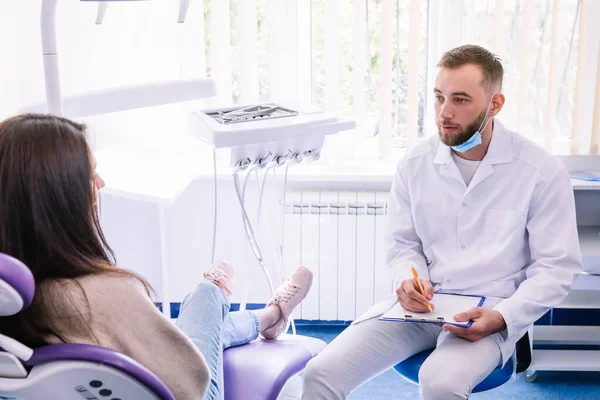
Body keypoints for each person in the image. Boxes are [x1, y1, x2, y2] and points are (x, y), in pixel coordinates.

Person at [302, 44, 583, 399]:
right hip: (422, 309)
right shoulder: (414, 164)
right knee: (320, 372)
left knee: (441, 382)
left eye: (461, 100)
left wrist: (502, 317)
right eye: (438, 97)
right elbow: (403, 244)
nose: (444, 113)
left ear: (494, 105)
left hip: (491, 312)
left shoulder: (540, 171)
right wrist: (408, 280)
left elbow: (556, 268)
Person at [0, 113, 313, 400]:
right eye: (90, 174)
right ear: (59, 194)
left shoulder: (15, 302)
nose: (101, 183)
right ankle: (250, 308)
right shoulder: (103, 295)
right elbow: (192, 383)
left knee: (198, 320)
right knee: (203, 300)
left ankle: (269, 316)